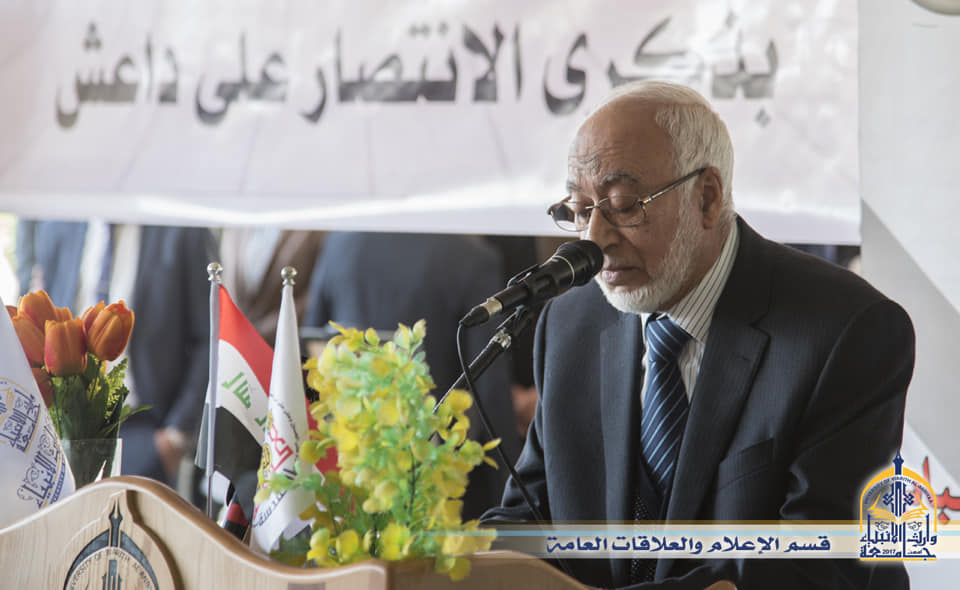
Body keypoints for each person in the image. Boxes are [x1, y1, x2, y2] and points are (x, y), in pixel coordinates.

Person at [481, 81, 914, 589]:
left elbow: (816, 566)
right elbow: (530, 521)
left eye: (623, 205)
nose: (594, 240)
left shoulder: (845, 331)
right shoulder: (570, 324)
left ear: (707, 198)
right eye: (579, 209)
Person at [304, 231, 522, 520]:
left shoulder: (341, 242)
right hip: (437, 481)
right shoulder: (472, 259)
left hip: (350, 467)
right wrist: (511, 497)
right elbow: (490, 391)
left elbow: (312, 350)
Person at [15, 219, 218, 496]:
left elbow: (209, 336)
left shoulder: (181, 226)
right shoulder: (60, 224)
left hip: (145, 432)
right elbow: (43, 322)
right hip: (65, 433)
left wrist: (175, 435)